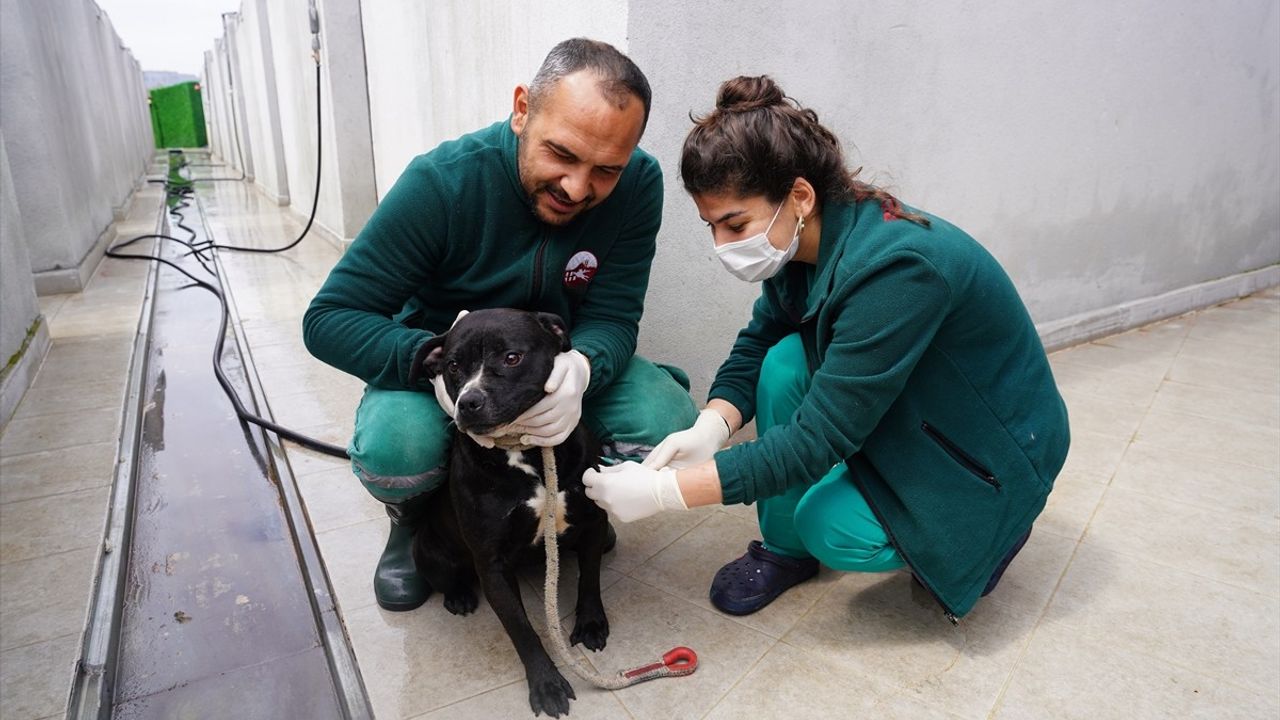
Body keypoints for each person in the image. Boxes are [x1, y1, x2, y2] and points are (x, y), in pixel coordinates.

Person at [583, 75, 1070, 622]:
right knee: (784, 360)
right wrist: (712, 425)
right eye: (711, 226)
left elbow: (817, 440)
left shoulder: (898, 271)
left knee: (831, 528)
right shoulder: (806, 244)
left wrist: (667, 493)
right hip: (922, 406)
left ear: (799, 196)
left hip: (994, 446)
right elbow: (758, 341)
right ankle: (786, 550)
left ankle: (988, 531)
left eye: (734, 222)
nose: (722, 245)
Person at [303, 38, 697, 612]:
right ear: (521, 110)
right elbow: (329, 318)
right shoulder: (442, 184)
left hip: (549, 360)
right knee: (397, 447)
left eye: (605, 169)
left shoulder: (638, 184)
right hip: (445, 370)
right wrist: (430, 363)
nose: (577, 188)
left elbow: (613, 313)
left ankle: (577, 508)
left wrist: (582, 367)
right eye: (561, 154)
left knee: (666, 419)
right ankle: (415, 523)